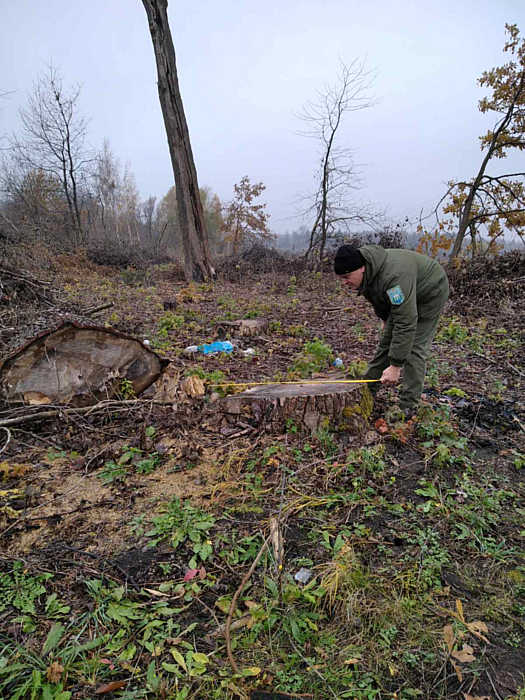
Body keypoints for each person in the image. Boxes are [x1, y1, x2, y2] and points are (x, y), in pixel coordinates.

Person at [334, 244, 449, 417]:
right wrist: (385, 319)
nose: (344, 282)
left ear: (362, 268)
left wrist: (395, 365)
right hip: (407, 292)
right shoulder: (368, 275)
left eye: (347, 276)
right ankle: (367, 390)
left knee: (414, 348)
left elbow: (406, 321)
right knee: (386, 343)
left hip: (430, 291)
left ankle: (408, 406)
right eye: (341, 278)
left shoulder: (393, 278)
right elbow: (378, 298)